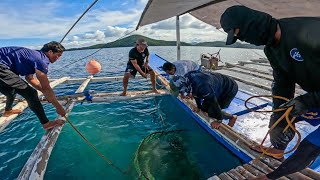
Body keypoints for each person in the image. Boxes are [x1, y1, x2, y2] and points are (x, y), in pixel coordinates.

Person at [220, 5, 320, 179]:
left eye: (240, 33)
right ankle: (277, 151)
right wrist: (278, 117)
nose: (243, 40)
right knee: (283, 117)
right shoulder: (271, 50)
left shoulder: (310, 30)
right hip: (317, 96)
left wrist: (308, 101)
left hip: (316, 97)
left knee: (311, 145)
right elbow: (282, 84)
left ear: (251, 24)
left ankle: (272, 177)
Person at [0, 41, 66, 130]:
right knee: (31, 94)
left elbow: (29, 78)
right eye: (58, 55)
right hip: (2, 66)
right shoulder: (41, 60)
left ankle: (8, 111)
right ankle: (46, 124)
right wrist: (58, 107)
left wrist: (45, 92)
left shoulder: (35, 56)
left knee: (11, 90)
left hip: (5, 66)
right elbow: (46, 87)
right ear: (50, 52)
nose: (58, 58)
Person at [171, 71, 238, 129]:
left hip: (229, 88)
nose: (181, 93)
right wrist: (199, 107)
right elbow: (195, 93)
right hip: (216, 85)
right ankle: (207, 109)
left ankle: (232, 117)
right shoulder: (186, 79)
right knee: (203, 109)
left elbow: (214, 102)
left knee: (212, 112)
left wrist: (219, 121)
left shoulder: (203, 86)